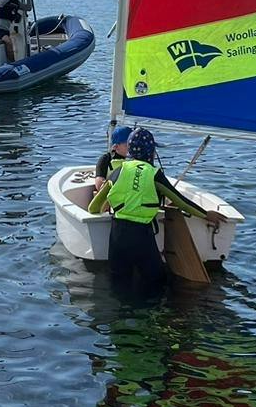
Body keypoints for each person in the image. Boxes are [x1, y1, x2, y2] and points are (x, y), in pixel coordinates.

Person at [87, 127, 220, 297]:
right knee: (155, 284)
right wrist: (206, 214)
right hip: (142, 237)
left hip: (117, 237)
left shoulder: (118, 172)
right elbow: (181, 202)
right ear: (151, 151)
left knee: (119, 286)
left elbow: (93, 208)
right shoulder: (154, 174)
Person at [94, 125, 133, 192]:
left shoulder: (136, 160)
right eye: (127, 145)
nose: (131, 147)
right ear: (116, 147)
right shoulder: (106, 159)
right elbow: (99, 184)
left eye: (133, 144)